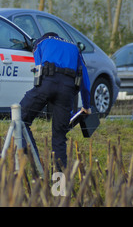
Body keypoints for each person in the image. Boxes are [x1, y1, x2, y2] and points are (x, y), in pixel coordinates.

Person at [19, 32, 91, 169]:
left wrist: (40, 94)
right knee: (59, 138)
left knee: (20, 118)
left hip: (47, 84)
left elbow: (38, 69)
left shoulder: (41, 42)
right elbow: (85, 81)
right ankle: (59, 186)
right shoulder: (74, 48)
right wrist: (86, 106)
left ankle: (38, 168)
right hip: (67, 91)